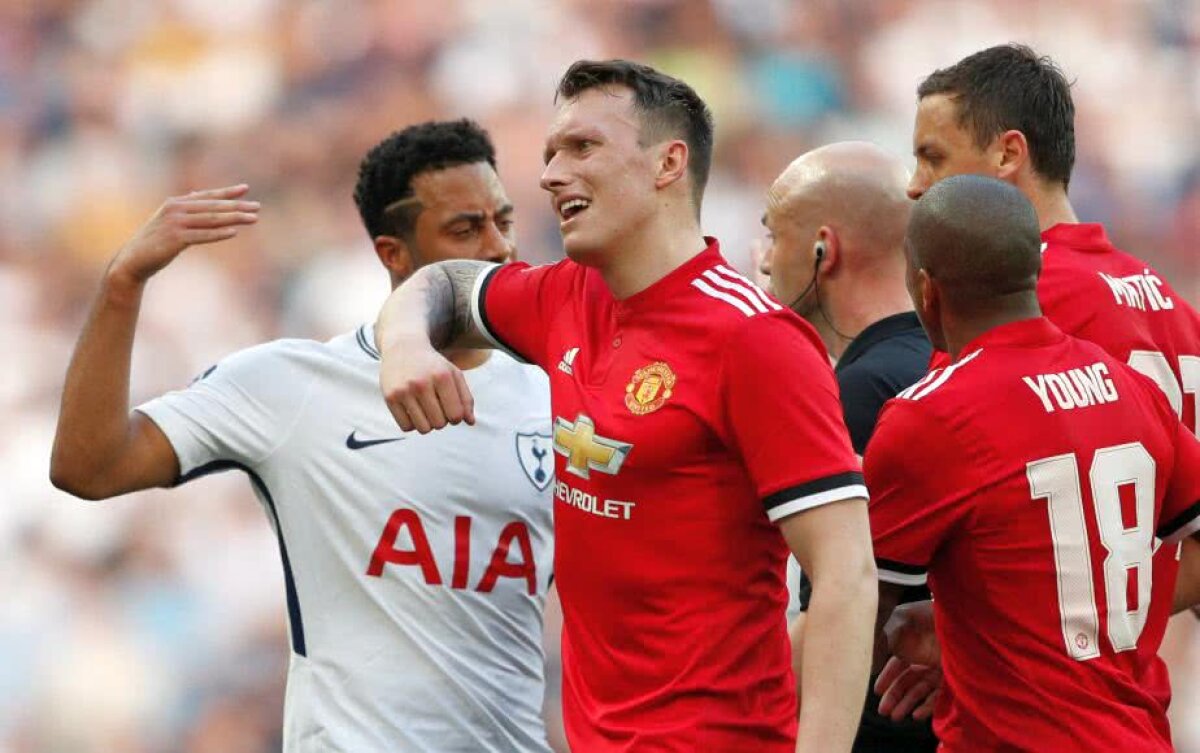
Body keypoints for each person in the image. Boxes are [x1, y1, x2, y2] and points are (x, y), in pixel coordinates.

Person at [374, 60, 876, 753]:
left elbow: (847, 573)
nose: (550, 174)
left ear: (669, 164)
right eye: (551, 152)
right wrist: (404, 342)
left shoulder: (753, 340)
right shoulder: (565, 297)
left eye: (582, 148)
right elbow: (447, 284)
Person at [49, 120, 558, 753]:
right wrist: (122, 284)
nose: (498, 248)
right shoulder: (293, 385)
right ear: (392, 254)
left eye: (503, 222)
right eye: (465, 229)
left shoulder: (555, 394)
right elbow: (88, 467)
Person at [880, 43, 1200, 717]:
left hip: (1034, 709)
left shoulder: (1011, 300)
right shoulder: (1164, 299)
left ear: (1008, 154)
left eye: (933, 155)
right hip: (1126, 694)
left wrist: (996, 628)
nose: (913, 183)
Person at [759, 141, 935, 753]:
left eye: (773, 235)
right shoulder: (949, 363)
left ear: (822, 250)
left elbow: (839, 611)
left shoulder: (860, 394)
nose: (761, 260)